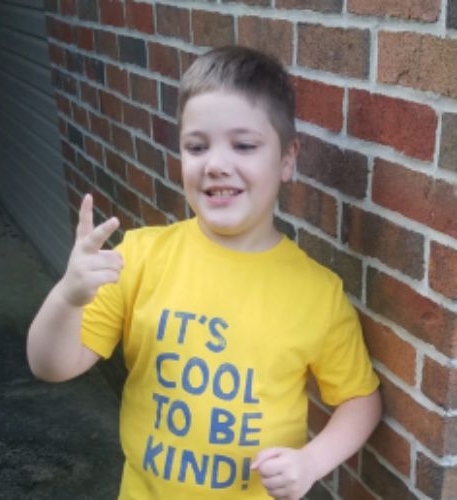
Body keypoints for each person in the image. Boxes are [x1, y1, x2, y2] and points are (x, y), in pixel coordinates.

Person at [27, 45, 381, 500]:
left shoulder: (316, 292)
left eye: (244, 145)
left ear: (288, 158)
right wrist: (68, 298)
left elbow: (360, 399)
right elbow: (50, 366)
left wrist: (313, 460)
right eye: (197, 146)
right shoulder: (139, 257)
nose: (215, 164)